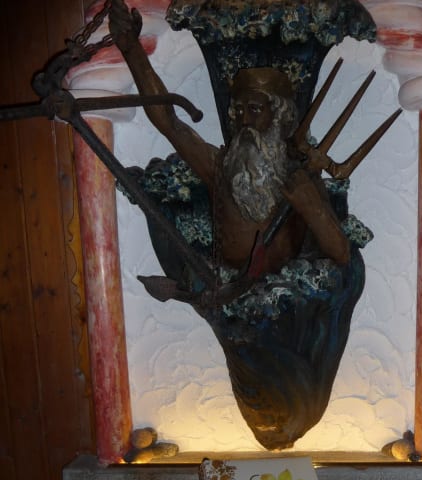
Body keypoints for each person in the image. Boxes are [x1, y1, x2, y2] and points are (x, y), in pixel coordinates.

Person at [108, 0, 350, 278]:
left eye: (255, 110)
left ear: (279, 115)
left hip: (289, 294)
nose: (244, 121)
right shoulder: (220, 167)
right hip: (228, 290)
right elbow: (169, 122)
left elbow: (342, 253)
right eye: (239, 111)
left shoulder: (301, 174)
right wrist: (132, 51)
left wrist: (313, 208)